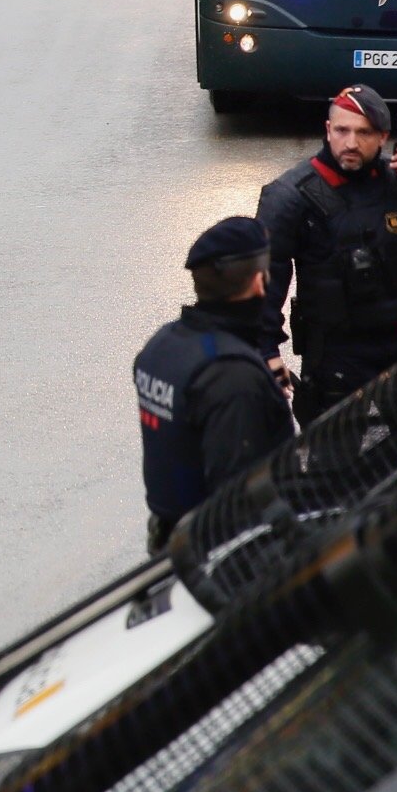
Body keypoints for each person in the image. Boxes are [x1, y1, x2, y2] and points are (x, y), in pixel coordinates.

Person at [255, 85, 397, 423]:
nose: (351, 143)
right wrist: (265, 351)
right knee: (334, 467)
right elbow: (265, 281)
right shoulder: (289, 198)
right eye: (342, 130)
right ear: (328, 130)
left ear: (383, 137)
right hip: (336, 359)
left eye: (363, 133)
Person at [133, 216, 296, 553]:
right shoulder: (233, 376)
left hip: (169, 539)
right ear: (258, 284)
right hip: (222, 560)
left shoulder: (162, 345)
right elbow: (238, 502)